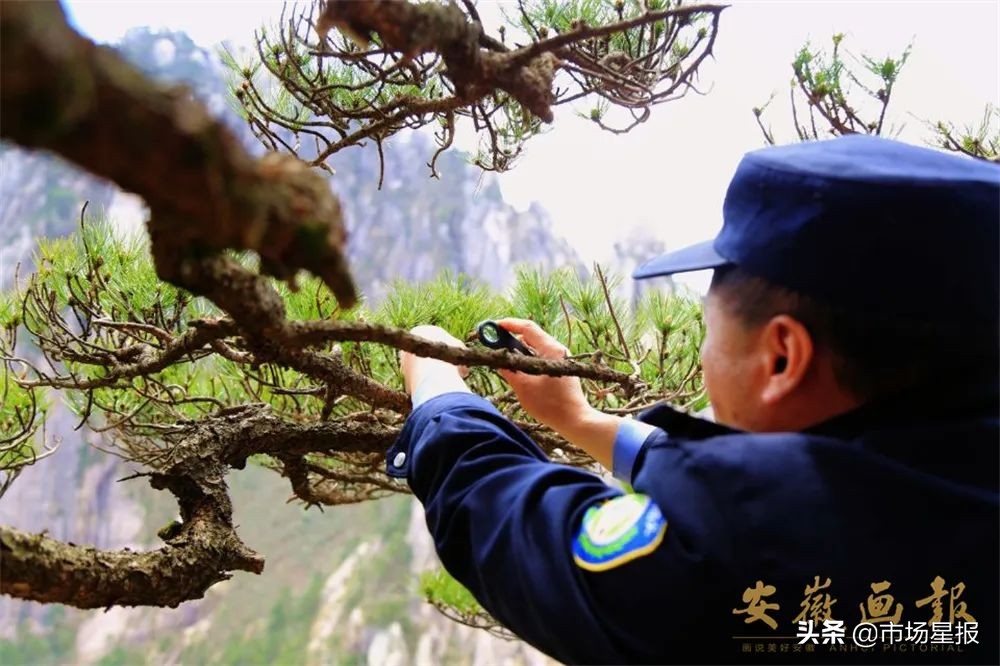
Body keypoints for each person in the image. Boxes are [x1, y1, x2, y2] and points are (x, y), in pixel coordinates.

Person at [387, 135, 999, 664]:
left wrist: (439, 391)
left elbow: (508, 524)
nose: (705, 356)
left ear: (782, 358)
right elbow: (790, 488)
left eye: (710, 329)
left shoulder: (742, 550)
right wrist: (580, 420)